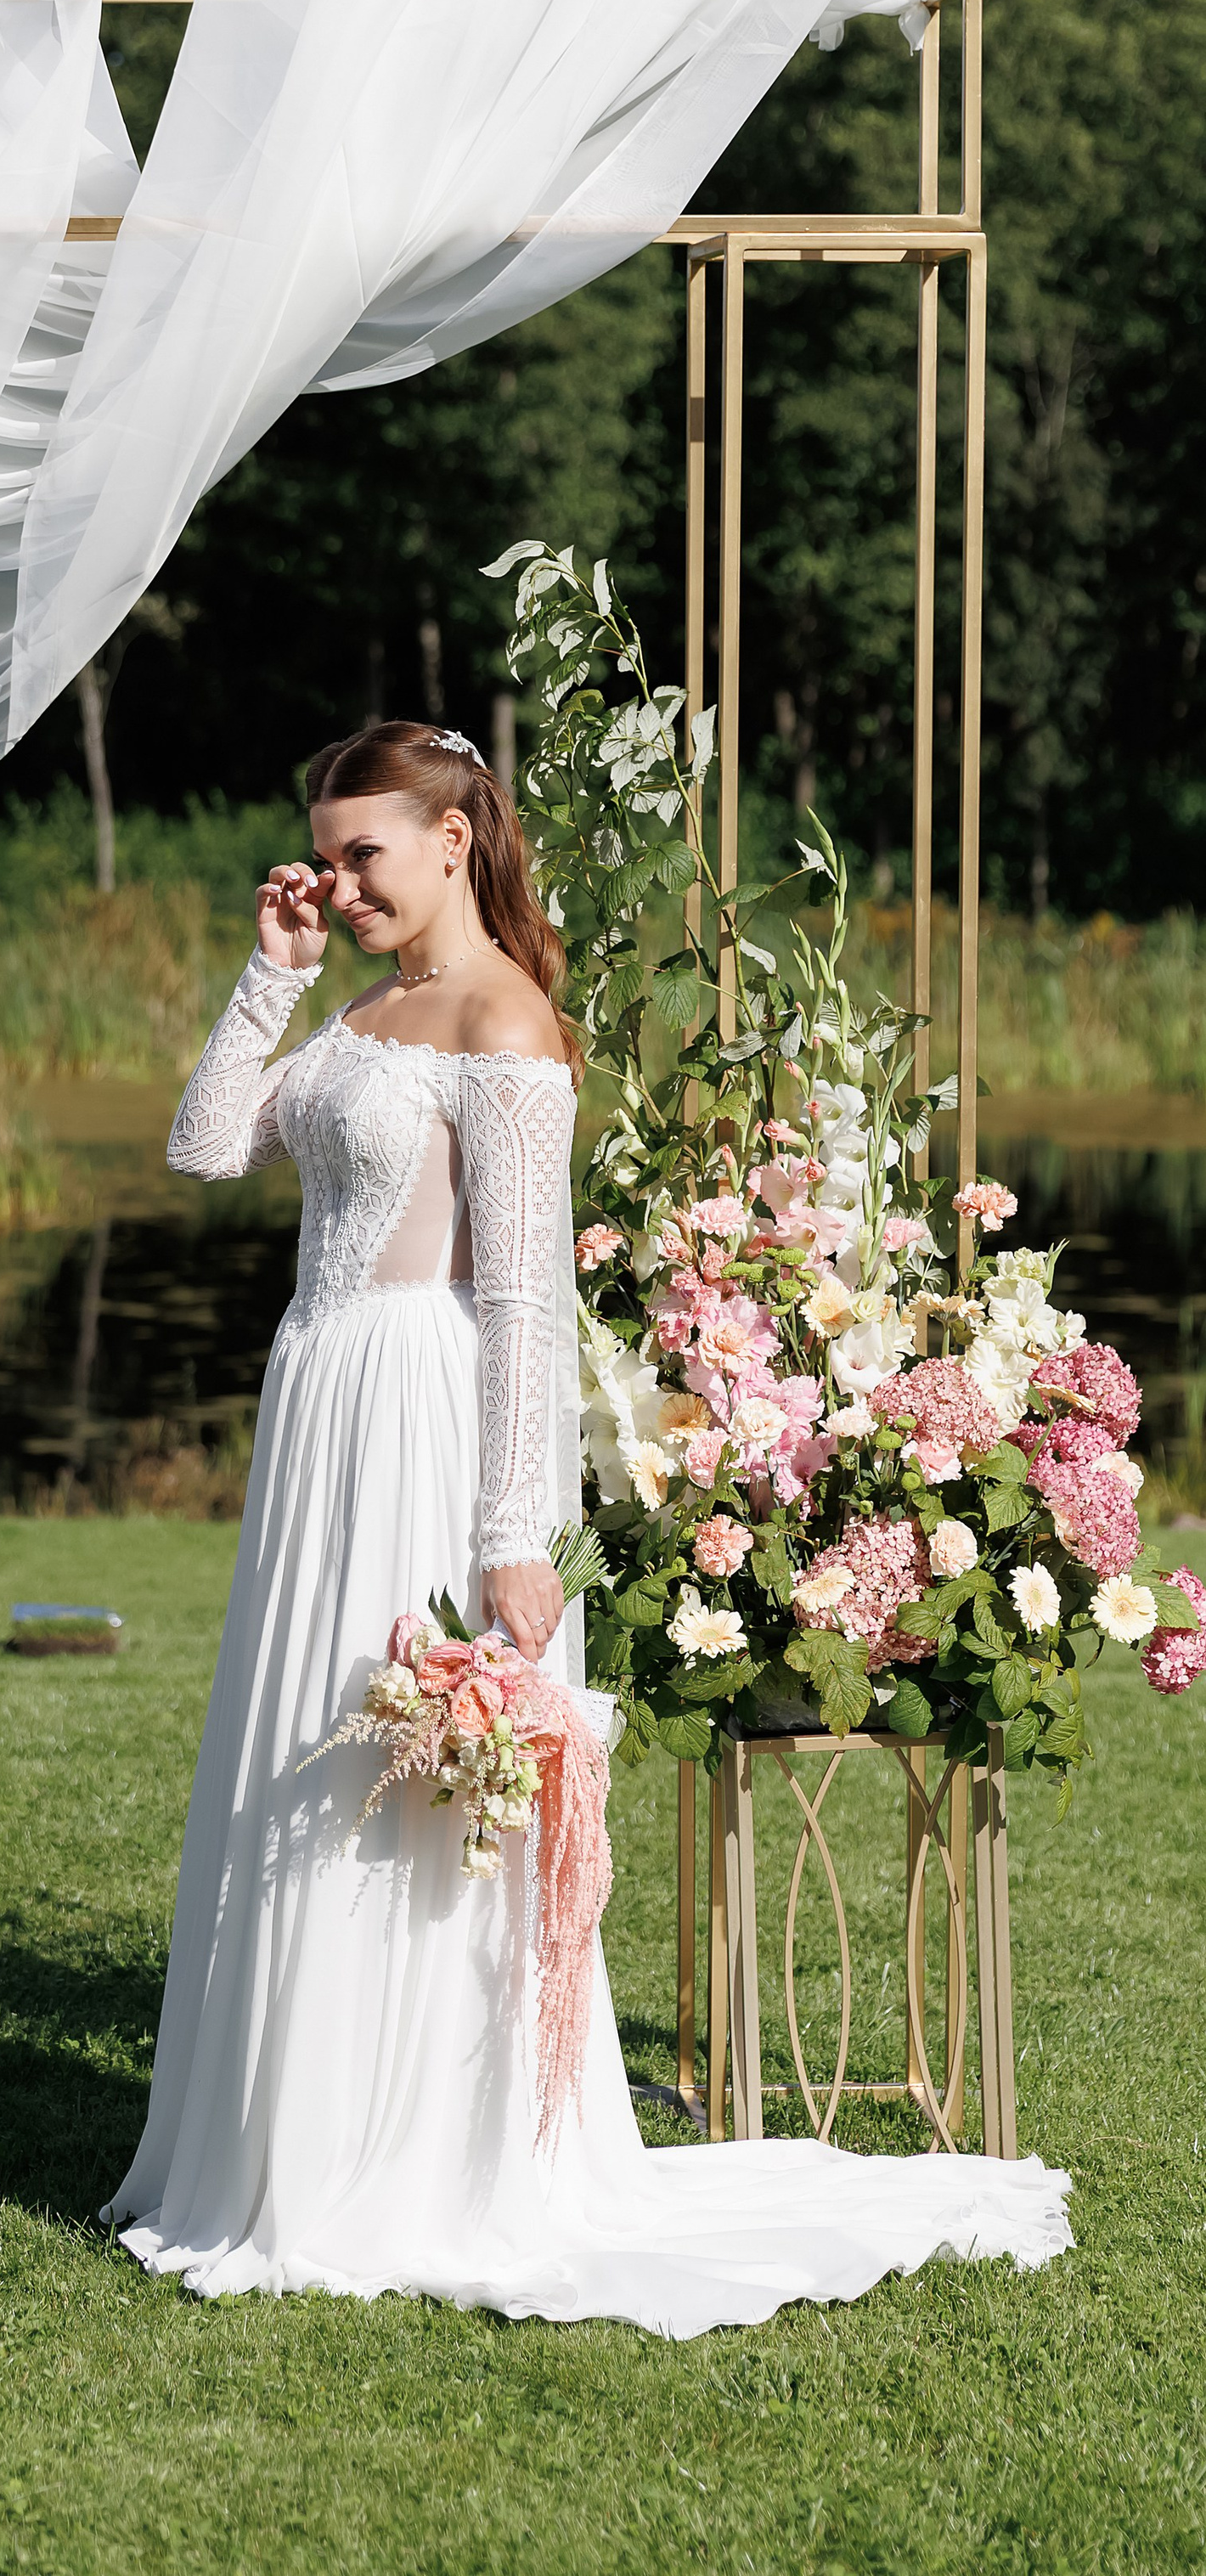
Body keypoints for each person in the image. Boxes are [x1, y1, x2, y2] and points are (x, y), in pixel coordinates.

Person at [104, 717, 1071, 2332]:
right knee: (302, 1750)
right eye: (324, 855)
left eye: (362, 854)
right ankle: (283, 2133)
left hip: (422, 1408)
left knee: (404, 1770)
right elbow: (209, 1144)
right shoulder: (362, 1004)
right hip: (320, 1411)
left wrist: (513, 1532)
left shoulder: (506, 1021)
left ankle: (414, 2145)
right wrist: (269, 972)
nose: (336, 882)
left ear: (454, 836)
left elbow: (526, 1304)